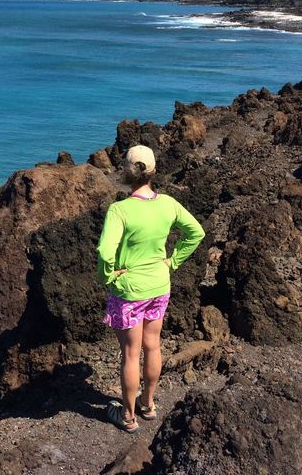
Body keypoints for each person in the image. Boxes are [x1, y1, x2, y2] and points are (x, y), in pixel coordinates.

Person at [97, 145, 205, 433]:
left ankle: (128, 416)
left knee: (131, 353)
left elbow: (105, 252)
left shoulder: (120, 210)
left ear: (127, 171)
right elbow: (196, 232)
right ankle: (148, 404)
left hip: (130, 290)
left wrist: (108, 277)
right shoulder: (168, 203)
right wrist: (173, 261)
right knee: (153, 345)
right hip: (159, 284)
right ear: (153, 171)